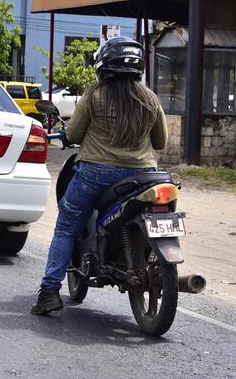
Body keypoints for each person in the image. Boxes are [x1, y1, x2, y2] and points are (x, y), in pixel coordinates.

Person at [31, 36, 168, 316]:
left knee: (67, 226)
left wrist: (69, 134)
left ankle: (48, 292)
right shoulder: (150, 98)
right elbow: (161, 142)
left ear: (103, 65)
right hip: (143, 176)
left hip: (95, 173)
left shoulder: (94, 95)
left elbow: (74, 135)